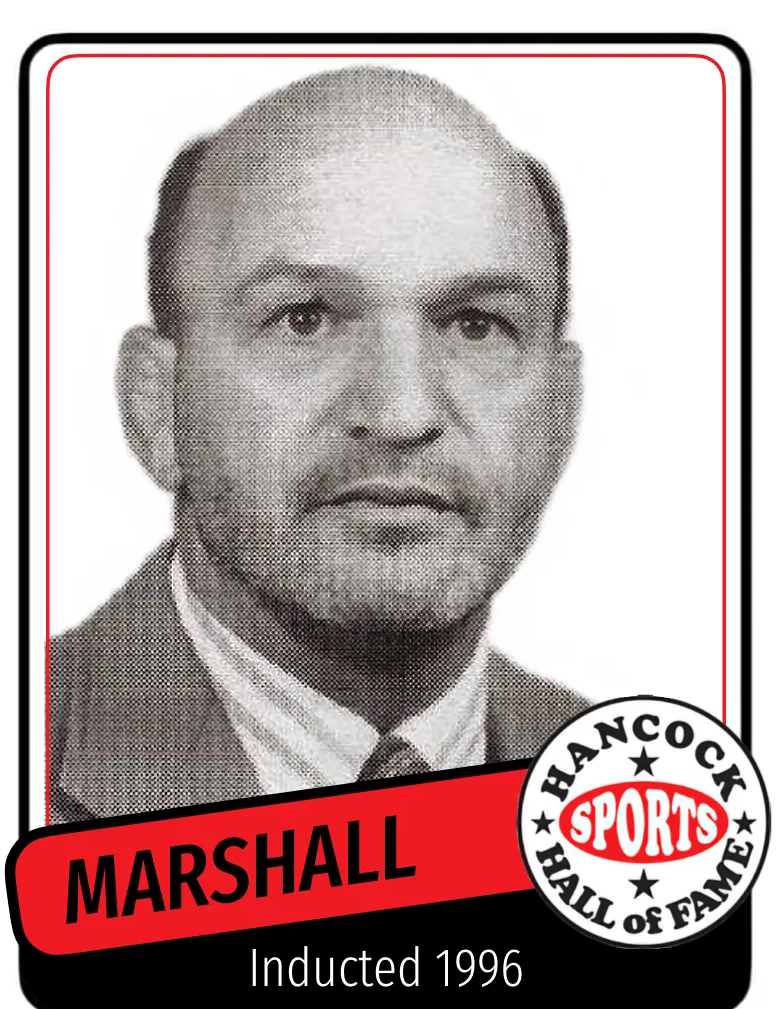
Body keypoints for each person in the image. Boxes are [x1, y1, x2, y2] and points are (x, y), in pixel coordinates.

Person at [48, 65, 587, 823]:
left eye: (476, 326)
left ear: (559, 413)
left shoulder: (637, 796)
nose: (401, 413)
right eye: (305, 319)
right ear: (157, 405)